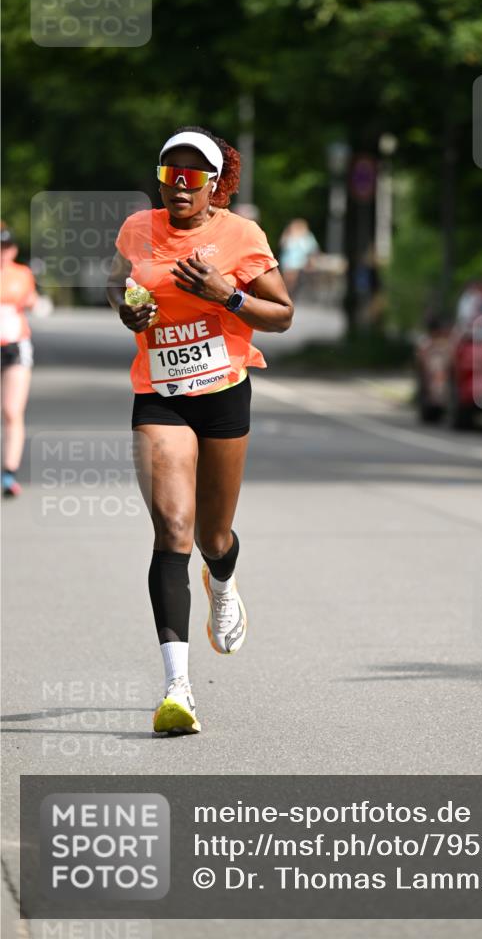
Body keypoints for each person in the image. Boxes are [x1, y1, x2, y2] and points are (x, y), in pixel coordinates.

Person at [106, 126, 293, 735]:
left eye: (193, 176)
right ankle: (177, 688)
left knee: (213, 537)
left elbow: (283, 315)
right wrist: (125, 307)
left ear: (216, 183)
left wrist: (228, 296)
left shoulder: (241, 236)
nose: (180, 186)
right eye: (170, 174)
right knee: (174, 529)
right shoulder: (139, 228)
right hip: (159, 395)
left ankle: (224, 577)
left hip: (223, 394)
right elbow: (118, 279)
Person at [1, 223, 37, 498]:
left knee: (12, 411)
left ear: (12, 250)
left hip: (15, 347)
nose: (2, 253)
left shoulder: (22, 274)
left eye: (6, 247)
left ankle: (9, 473)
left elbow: (30, 300)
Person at [279, 218, 319, 297]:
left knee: (292, 280)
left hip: (299, 262)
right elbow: (282, 245)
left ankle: (288, 295)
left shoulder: (307, 236)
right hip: (288, 262)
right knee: (287, 280)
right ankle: (286, 295)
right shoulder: (289, 235)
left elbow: (312, 249)